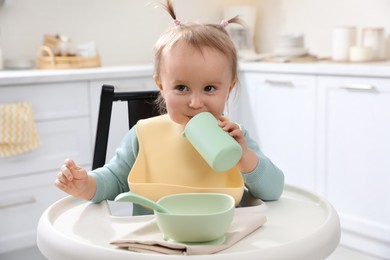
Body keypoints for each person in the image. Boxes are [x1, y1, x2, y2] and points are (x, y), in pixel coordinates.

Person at [55, 0, 284, 215]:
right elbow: (114, 180)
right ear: (161, 86)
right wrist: (85, 185)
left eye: (210, 88)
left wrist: (245, 157)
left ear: (230, 88)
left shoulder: (236, 139)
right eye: (182, 88)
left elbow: (273, 191)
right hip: (155, 245)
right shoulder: (142, 135)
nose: (195, 103)